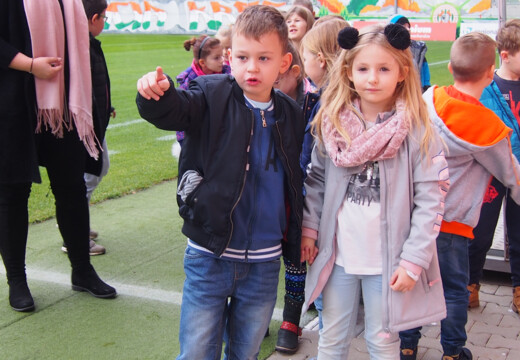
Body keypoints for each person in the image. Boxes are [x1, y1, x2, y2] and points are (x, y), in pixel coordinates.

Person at [136, 5, 304, 359]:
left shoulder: (290, 114)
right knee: (197, 351)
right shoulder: (210, 93)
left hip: (263, 263)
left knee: (245, 352)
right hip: (209, 254)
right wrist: (155, 94)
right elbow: (175, 110)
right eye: (243, 57)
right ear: (230, 57)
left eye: (264, 58)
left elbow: (297, 180)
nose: (252, 67)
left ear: (284, 63)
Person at [300, 24, 448, 359]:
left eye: (383, 69)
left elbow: (431, 200)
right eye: (363, 68)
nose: (372, 78)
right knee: (331, 338)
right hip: (337, 258)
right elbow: (317, 181)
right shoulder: (333, 123)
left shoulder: (418, 130)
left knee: (382, 342)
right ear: (349, 71)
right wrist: (309, 230)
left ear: (402, 72)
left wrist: (413, 261)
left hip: (390, 261)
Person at [399, 32, 520, 360]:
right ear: (488, 72)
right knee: (453, 291)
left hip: (415, 217)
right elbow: (512, 176)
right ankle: (452, 351)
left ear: (450, 67)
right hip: (452, 224)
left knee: (413, 286)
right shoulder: (490, 128)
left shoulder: (427, 100)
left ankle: (406, 347)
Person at [0, 0, 117, 312]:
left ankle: (82, 271)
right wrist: (28, 64)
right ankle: (17, 281)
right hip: (14, 102)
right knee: (13, 192)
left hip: (64, 104)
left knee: (72, 189)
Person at [275, 18, 348, 355]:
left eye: (304, 58)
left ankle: (296, 317)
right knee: (298, 254)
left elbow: (317, 165)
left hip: (318, 202)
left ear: (321, 59)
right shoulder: (318, 98)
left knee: (304, 257)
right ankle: (293, 318)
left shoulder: (328, 104)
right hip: (306, 196)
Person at [468, 20, 520, 312]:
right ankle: (471, 285)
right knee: (480, 233)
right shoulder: (487, 87)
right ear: (506, 55)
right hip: (488, 174)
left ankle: (518, 290)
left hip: (519, 173)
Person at [62, 0, 115, 256]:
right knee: (89, 175)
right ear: (94, 18)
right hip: (86, 124)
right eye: (104, 18)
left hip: (96, 121)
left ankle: (77, 225)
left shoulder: (89, 43)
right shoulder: (79, 44)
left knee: (99, 169)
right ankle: (75, 234)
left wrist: (107, 107)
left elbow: (97, 85)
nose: (105, 22)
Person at [174, 35, 231, 147]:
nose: (222, 61)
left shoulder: (228, 74)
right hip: (198, 138)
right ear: (202, 62)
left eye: (221, 56)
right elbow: (183, 115)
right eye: (216, 58)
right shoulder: (188, 83)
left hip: (224, 135)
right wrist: (185, 144)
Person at [390, 15, 431, 92]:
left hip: (416, 91)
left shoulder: (418, 48)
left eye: (408, 26)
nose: (408, 29)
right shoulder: (387, 49)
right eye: (404, 26)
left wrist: (426, 85)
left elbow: (424, 69)